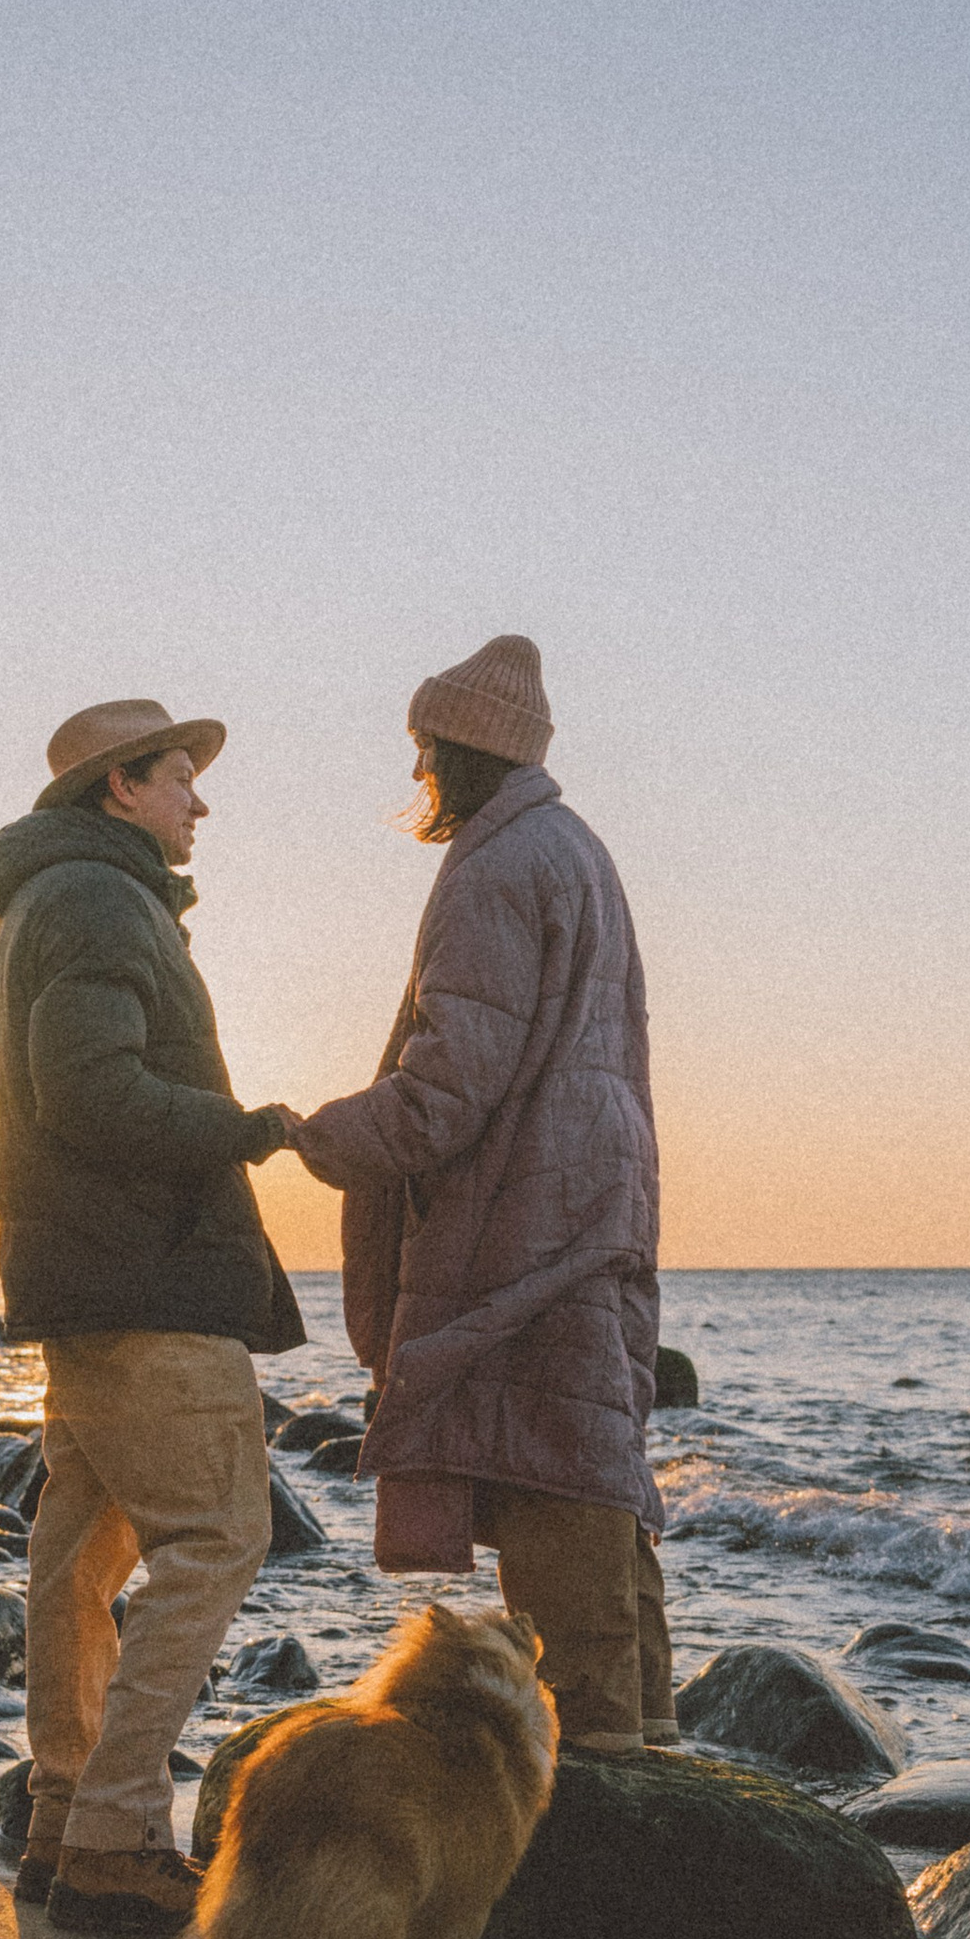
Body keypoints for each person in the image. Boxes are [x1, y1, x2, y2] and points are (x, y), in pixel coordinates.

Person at [288, 635, 674, 1756]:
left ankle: (596, 1767)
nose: (417, 777)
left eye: (425, 751)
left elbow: (449, 1087)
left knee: (547, 1465)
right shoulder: (575, 849)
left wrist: (316, 1136)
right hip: (595, 1189)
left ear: (464, 752)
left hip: (525, 1211)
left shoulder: (497, 869)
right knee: (594, 1459)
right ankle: (651, 1737)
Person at [0, 696, 305, 1934]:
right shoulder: (99, 901)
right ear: (121, 787)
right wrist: (248, 1128)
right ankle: (114, 1829)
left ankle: (65, 1818)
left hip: (88, 1279)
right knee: (219, 1536)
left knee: (81, 1547)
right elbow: (92, 1090)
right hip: (149, 1276)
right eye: (181, 777)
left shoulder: (46, 905)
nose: (199, 802)